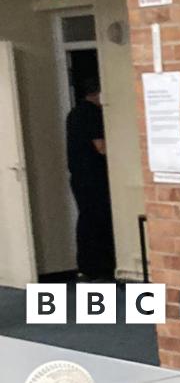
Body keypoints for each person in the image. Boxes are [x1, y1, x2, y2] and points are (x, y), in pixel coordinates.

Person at [65, 77, 116, 282]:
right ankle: (100, 266)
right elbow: (101, 147)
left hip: (79, 176)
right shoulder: (92, 114)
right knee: (99, 220)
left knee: (86, 220)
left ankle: (87, 266)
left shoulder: (74, 114)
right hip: (95, 177)